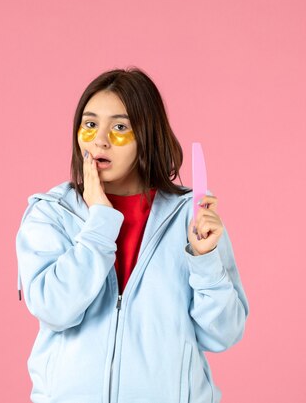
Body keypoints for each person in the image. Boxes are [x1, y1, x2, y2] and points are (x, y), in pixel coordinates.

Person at [15, 67, 249, 403]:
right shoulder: (51, 213)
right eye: (90, 123)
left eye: (120, 127)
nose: (100, 139)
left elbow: (223, 334)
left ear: (146, 136)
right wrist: (99, 222)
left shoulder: (191, 217)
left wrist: (205, 260)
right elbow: (55, 309)